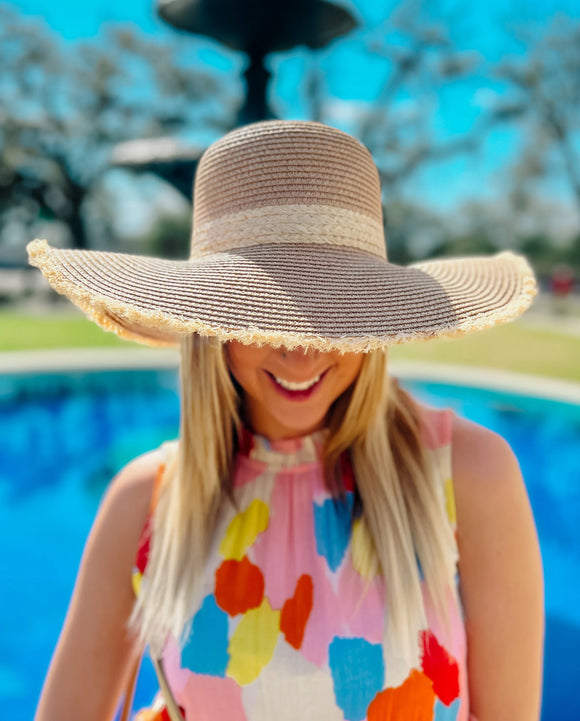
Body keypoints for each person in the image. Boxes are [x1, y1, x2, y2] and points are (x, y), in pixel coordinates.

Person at [28, 120, 544, 721]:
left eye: (335, 311)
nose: (301, 354)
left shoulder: (467, 470)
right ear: (210, 324)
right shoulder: (146, 499)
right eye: (261, 314)